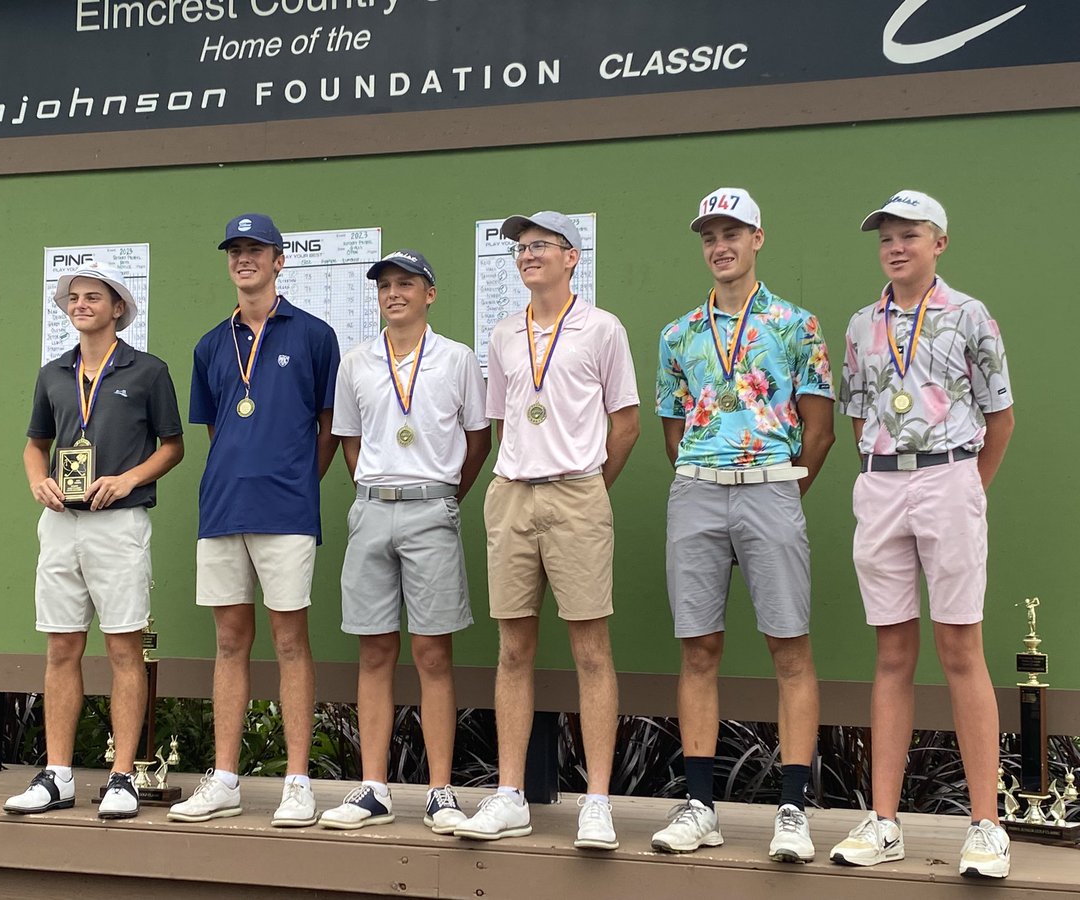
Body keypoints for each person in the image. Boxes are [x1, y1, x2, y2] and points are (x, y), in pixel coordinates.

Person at [831, 190, 1014, 879]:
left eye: (909, 235)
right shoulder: (859, 324)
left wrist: (965, 487)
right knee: (892, 651)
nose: (895, 247)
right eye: (885, 238)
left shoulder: (970, 317)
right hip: (880, 482)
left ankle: (986, 825)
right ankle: (884, 822)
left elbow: (1001, 421)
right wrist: (892, 476)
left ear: (939, 242)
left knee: (961, 647)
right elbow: (857, 415)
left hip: (950, 478)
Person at [652, 188, 835, 863]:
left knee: (790, 647)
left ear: (759, 238)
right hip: (697, 491)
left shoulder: (796, 324)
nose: (719, 246)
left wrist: (781, 488)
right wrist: (712, 471)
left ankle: (793, 808)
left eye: (733, 233)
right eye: (709, 236)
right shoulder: (679, 333)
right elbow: (674, 430)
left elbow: (819, 431)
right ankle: (701, 805)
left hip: (771, 492)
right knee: (698, 648)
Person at [454, 211, 640, 850]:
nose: (527, 255)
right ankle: (508, 795)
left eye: (541, 246)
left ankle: (597, 801)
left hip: (577, 496)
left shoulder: (603, 329)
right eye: (520, 247)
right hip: (511, 498)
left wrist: (586, 487)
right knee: (512, 648)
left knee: (591, 649)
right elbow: (504, 421)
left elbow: (627, 424)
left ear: (571, 258)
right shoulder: (504, 334)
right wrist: (527, 477)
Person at [168, 213, 340, 825]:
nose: (244, 259)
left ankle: (297, 781)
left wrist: (295, 483)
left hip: (288, 511)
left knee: (291, 640)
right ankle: (226, 779)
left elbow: (328, 429)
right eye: (235, 251)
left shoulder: (316, 336)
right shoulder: (210, 345)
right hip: (221, 510)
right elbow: (219, 430)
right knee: (229, 642)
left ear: (279, 260)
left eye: (255, 250)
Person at [320, 249, 491, 833]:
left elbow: (478, 440)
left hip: (432, 509)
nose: (394, 293)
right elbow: (350, 441)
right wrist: (374, 491)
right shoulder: (356, 362)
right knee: (373, 651)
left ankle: (441, 790)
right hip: (371, 511)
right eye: (385, 285)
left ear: (429, 294)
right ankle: (373, 788)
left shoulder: (458, 359)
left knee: (432, 653)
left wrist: (446, 498)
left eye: (407, 284)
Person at [5, 264, 184, 819]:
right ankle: (57, 775)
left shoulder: (149, 371)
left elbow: (172, 446)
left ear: (117, 309)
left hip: (120, 522)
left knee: (125, 648)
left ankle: (122, 777)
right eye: (73, 298)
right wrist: (39, 480)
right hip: (61, 522)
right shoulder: (53, 373)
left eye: (93, 297)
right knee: (61, 647)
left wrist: (130, 477)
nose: (80, 304)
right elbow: (36, 445)